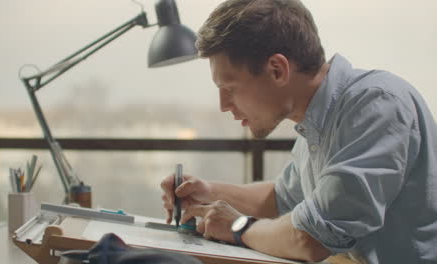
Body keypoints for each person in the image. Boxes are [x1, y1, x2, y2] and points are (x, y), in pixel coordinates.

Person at [160, 0, 437, 263]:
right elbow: (282, 200)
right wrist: (207, 191)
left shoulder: (376, 105)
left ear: (277, 70)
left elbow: (311, 238)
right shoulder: (317, 119)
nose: (223, 105)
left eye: (230, 89)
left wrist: (238, 226)